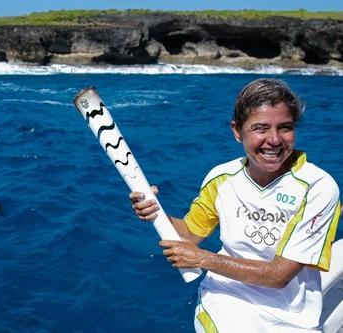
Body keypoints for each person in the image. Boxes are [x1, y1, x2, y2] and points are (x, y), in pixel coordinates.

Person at [130, 78, 341, 332]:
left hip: (295, 316)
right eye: (261, 128)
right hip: (227, 300)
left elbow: (278, 275)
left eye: (284, 127)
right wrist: (155, 211)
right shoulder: (222, 177)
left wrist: (201, 259)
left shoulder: (317, 186)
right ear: (237, 131)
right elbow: (188, 234)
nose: (274, 140)